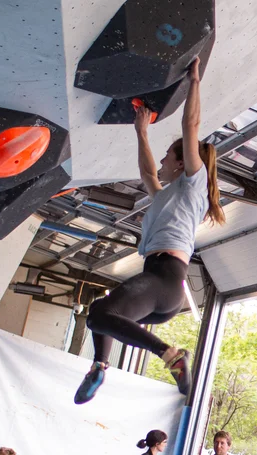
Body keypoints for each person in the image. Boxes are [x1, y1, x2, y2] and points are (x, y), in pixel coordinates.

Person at [75, 58, 222, 403]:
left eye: (168, 158)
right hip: (159, 287)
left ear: (183, 162)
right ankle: (99, 367)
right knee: (99, 313)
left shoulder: (192, 185)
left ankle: (171, 355)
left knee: (99, 314)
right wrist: (141, 132)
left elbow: (191, 126)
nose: (162, 163)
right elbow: (147, 174)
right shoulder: (167, 195)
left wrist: (195, 80)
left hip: (164, 280)